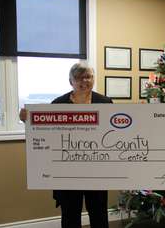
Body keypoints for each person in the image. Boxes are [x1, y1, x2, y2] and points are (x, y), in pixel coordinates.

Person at [20, 63, 111, 228]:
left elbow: (114, 132)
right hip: (67, 171)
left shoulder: (105, 102)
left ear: (93, 79)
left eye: (88, 76)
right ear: (71, 82)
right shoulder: (58, 103)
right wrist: (27, 120)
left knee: (99, 214)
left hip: (96, 169)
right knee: (70, 215)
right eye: (78, 78)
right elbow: (45, 133)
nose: (84, 81)